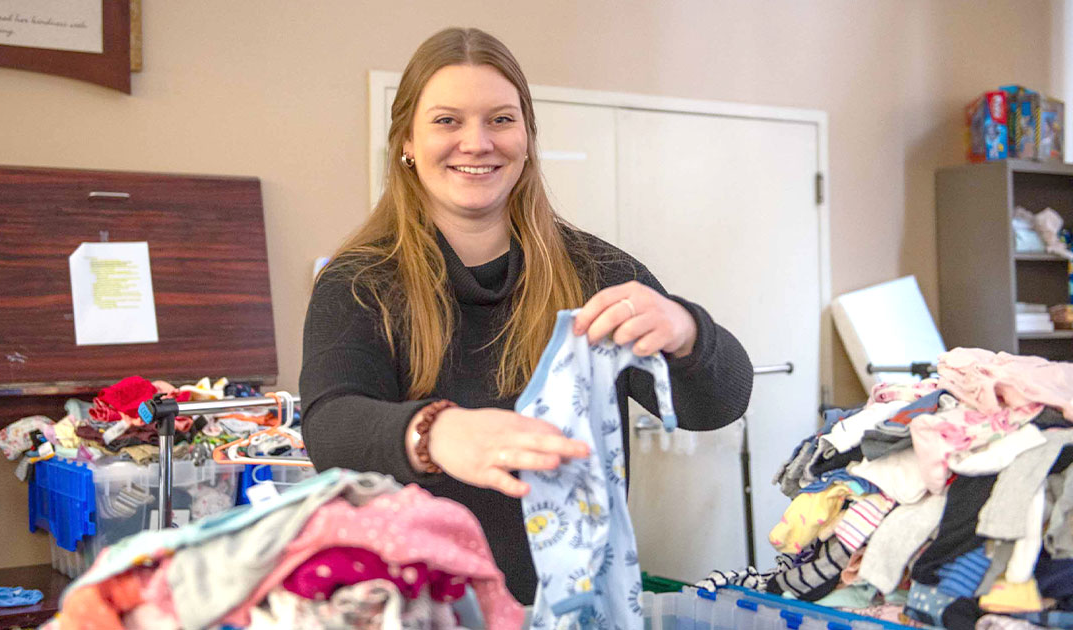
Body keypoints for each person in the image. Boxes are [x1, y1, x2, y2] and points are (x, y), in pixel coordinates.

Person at [299, 27, 753, 604]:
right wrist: (435, 433)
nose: (476, 142)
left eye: (500, 120)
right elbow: (329, 425)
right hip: (421, 608)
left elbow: (717, 406)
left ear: (528, 137)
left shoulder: (596, 272)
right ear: (406, 142)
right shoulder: (359, 281)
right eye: (447, 121)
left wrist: (688, 333)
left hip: (572, 609)